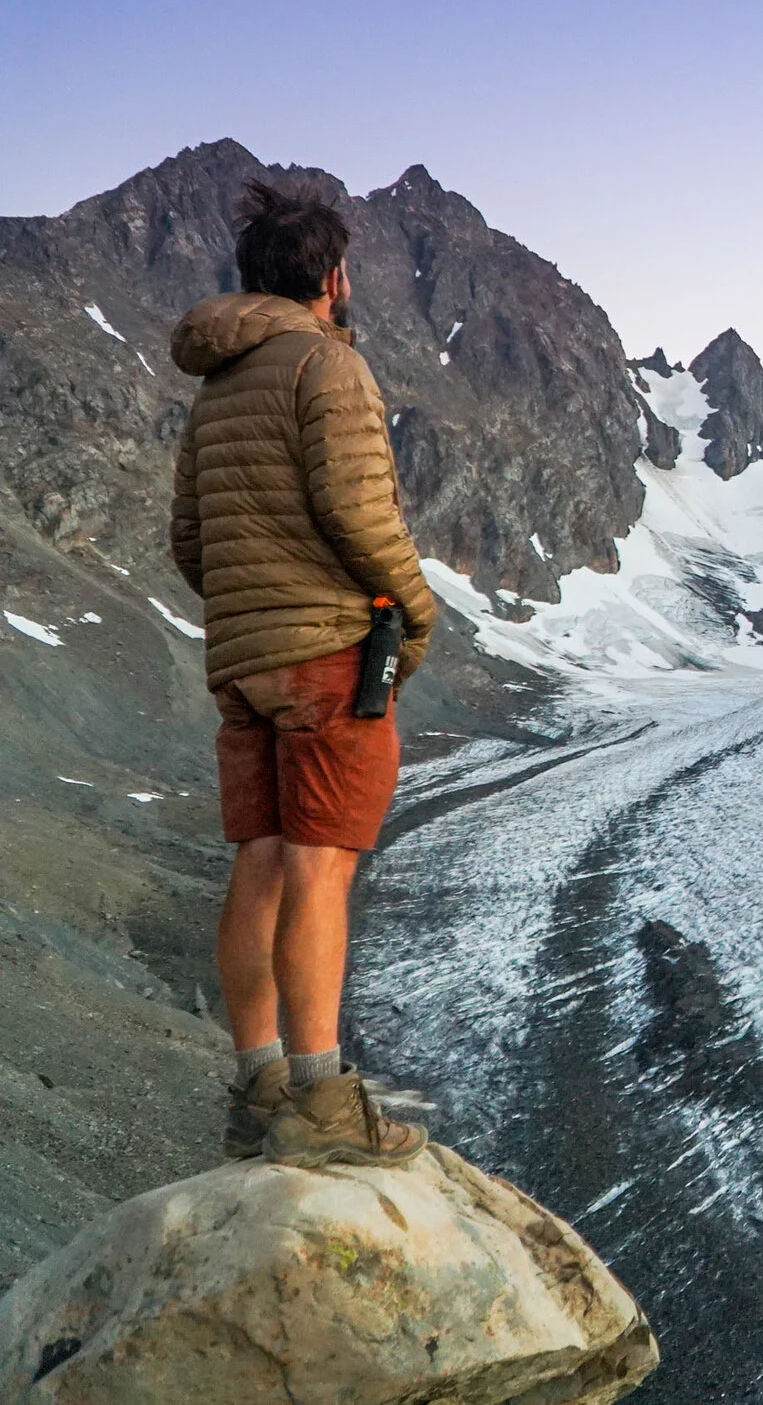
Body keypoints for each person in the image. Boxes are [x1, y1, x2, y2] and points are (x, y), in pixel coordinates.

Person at [169, 179, 437, 1167]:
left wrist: (248, 605)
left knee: (263, 861)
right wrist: (416, 609)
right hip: (324, 654)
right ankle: (325, 1111)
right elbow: (361, 515)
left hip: (242, 660)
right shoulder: (326, 366)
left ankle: (259, 1090)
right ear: (331, 278)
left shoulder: (219, 387)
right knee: (321, 867)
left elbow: (189, 538)